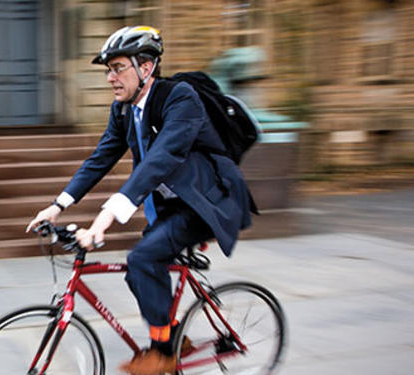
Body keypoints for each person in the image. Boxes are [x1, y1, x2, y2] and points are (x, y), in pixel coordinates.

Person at [27, 25, 252, 375]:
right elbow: (100, 159)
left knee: (144, 258)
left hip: (208, 202)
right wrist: (57, 206)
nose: (109, 78)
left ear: (145, 67)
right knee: (138, 270)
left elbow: (161, 160)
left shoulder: (181, 99)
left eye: (118, 68)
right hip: (171, 205)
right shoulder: (123, 110)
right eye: (108, 70)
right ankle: (175, 334)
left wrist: (103, 219)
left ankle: (163, 353)